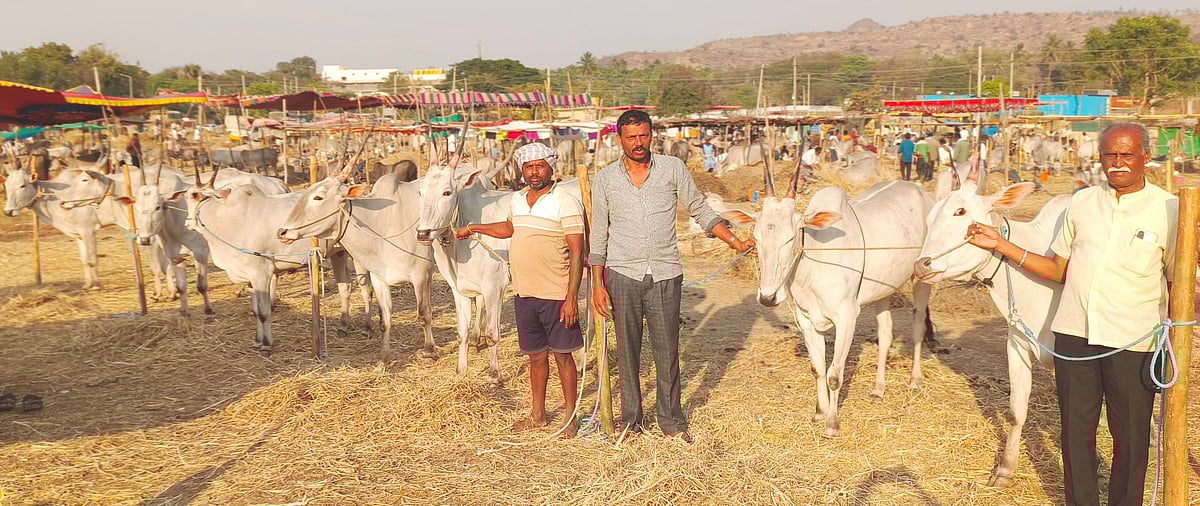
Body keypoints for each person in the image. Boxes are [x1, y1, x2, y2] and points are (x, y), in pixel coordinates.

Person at [964, 122, 1177, 506]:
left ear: (1146, 156)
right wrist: (1000, 245)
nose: (1118, 162)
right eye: (1110, 154)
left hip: (1133, 341)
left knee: (1130, 437)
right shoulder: (1082, 203)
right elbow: (1058, 269)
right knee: (1076, 435)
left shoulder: (1170, 209)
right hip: (1075, 336)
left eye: (1127, 154)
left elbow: (1178, 280)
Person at [590, 110, 755, 443]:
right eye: (631, 137)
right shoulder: (605, 179)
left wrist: (735, 241)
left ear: (652, 135)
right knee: (628, 352)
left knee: (667, 351)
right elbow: (598, 234)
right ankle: (631, 421)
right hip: (622, 274)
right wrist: (597, 284)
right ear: (620, 139)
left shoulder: (673, 169)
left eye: (644, 135)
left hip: (665, 273)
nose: (638, 143)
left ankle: (672, 421)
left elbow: (700, 209)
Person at [454, 143, 586, 438]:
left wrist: (571, 298)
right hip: (524, 293)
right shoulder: (517, 199)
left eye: (540, 166)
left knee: (563, 357)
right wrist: (474, 228)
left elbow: (577, 252)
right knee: (535, 357)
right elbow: (509, 228)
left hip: (556, 294)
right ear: (522, 171)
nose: (534, 172)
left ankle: (570, 417)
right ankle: (537, 416)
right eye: (529, 167)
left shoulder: (565, 201)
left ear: (551, 168)